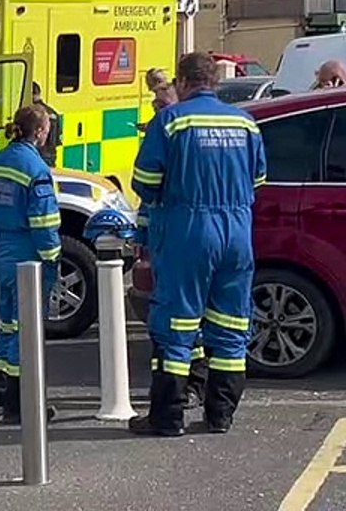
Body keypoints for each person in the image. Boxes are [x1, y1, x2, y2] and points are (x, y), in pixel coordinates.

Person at [130, 52, 266, 437]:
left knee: (177, 324)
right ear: (215, 82)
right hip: (238, 229)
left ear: (184, 82)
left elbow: (145, 182)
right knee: (231, 322)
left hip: (189, 228)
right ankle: (220, 414)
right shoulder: (245, 123)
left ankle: (168, 417)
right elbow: (258, 179)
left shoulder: (172, 121)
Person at [0, 104, 62, 425]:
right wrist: (52, 256)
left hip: (2, 250)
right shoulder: (36, 169)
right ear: (40, 132)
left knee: (9, 324)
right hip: (28, 255)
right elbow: (44, 222)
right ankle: (20, 403)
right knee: (26, 330)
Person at [140, 67, 208, 411]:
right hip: (180, 235)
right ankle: (191, 393)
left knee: (176, 321)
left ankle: (178, 397)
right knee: (179, 321)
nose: (156, 110)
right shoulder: (175, 126)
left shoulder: (172, 128)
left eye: (160, 103)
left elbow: (146, 185)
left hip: (179, 236)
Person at [30, 82, 62, 167]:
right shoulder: (53, 112)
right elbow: (58, 140)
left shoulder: (32, 113)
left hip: (37, 154)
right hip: (50, 155)